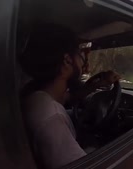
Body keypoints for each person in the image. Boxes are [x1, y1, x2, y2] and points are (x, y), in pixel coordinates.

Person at [19, 23, 121, 169]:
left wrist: (93, 86)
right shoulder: (51, 119)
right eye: (80, 55)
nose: (83, 63)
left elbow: (67, 98)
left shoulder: (35, 96)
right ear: (67, 61)